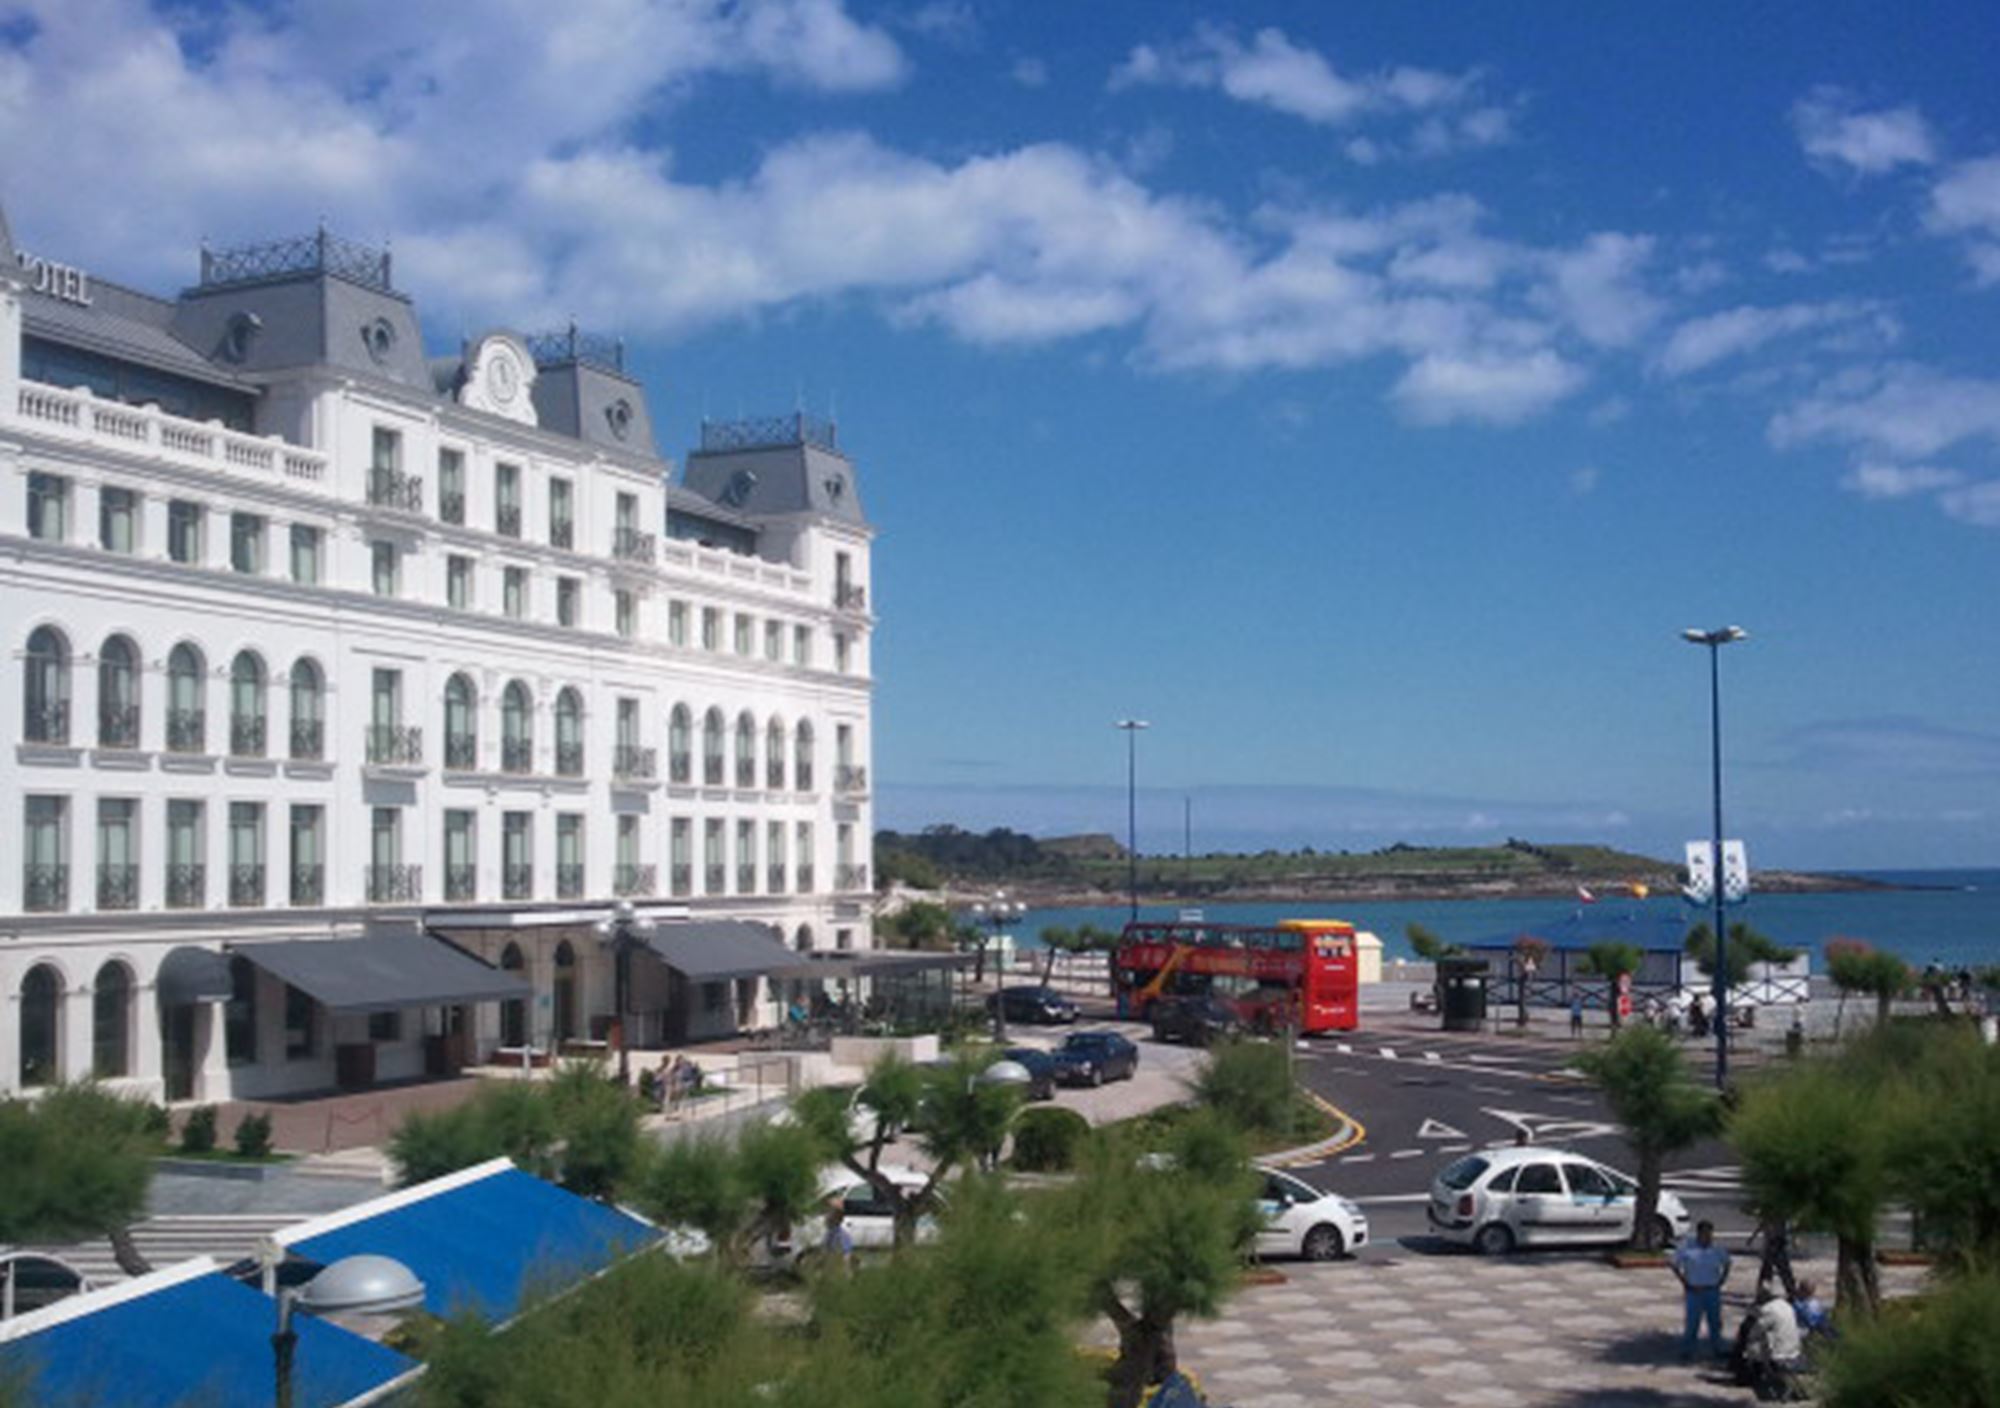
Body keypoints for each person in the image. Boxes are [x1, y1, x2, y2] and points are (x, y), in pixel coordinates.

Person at [1672, 1220, 1732, 1362]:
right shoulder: (1687, 1247)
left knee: (1715, 1322)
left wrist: (1722, 1280)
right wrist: (1684, 1282)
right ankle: (1688, 1350)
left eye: (1709, 1234)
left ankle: (1717, 1348)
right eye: (1704, 1233)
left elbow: (1727, 1263)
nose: (1707, 1237)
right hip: (1694, 1291)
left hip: (1712, 1290)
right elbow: (1674, 1264)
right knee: (1692, 1323)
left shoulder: (1717, 1249)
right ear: (1698, 1233)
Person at [1740, 1283, 1805, 1400]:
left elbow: (1757, 1329)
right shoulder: (1788, 1306)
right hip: (1795, 1348)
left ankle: (1757, 1373)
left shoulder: (1769, 1309)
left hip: (1781, 1353)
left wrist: (1748, 1339)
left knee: (1753, 1343)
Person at [821, 1205, 856, 1272]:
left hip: (838, 1261)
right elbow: (825, 1248)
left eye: (828, 1218)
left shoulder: (842, 1235)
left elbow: (846, 1252)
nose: (825, 1220)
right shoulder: (829, 1233)